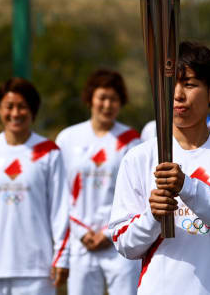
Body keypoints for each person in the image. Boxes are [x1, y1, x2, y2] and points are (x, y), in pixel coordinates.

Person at [107, 41, 210, 295]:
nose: (178, 95)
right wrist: (153, 216)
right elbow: (124, 243)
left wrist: (187, 187)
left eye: (190, 84)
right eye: (170, 85)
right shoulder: (139, 157)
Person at [0, 78, 70, 295]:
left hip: (37, 270)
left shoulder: (49, 152)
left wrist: (62, 256)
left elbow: (61, 209)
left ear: (33, 110)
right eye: (9, 106)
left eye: (22, 106)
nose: (15, 113)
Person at [55, 69, 142, 295]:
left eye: (113, 99)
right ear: (90, 99)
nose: (107, 105)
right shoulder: (67, 138)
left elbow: (137, 193)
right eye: (102, 97)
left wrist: (107, 232)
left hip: (118, 239)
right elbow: (59, 192)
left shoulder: (131, 140)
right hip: (80, 239)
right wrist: (81, 231)